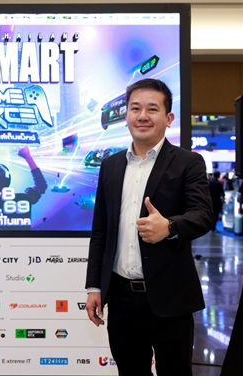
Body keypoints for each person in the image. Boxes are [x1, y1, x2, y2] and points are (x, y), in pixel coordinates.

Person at [85, 78, 214, 375]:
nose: (142, 116)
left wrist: (169, 226)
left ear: (168, 118)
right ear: (126, 116)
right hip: (121, 298)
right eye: (135, 108)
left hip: (171, 298)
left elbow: (203, 215)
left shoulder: (188, 162)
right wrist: (94, 286)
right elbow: (100, 231)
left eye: (152, 109)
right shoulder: (110, 165)